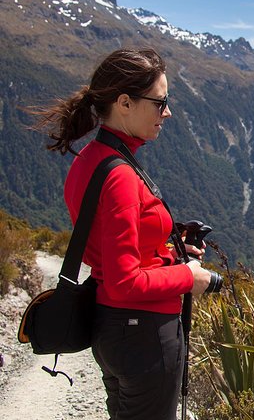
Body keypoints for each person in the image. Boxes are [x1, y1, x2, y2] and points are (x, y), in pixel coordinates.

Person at [31, 47, 213, 420]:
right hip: (143, 332)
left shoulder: (90, 160)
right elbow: (124, 282)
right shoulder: (120, 177)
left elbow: (104, 239)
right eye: (160, 102)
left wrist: (166, 250)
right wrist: (189, 276)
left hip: (112, 328)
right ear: (125, 103)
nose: (168, 112)